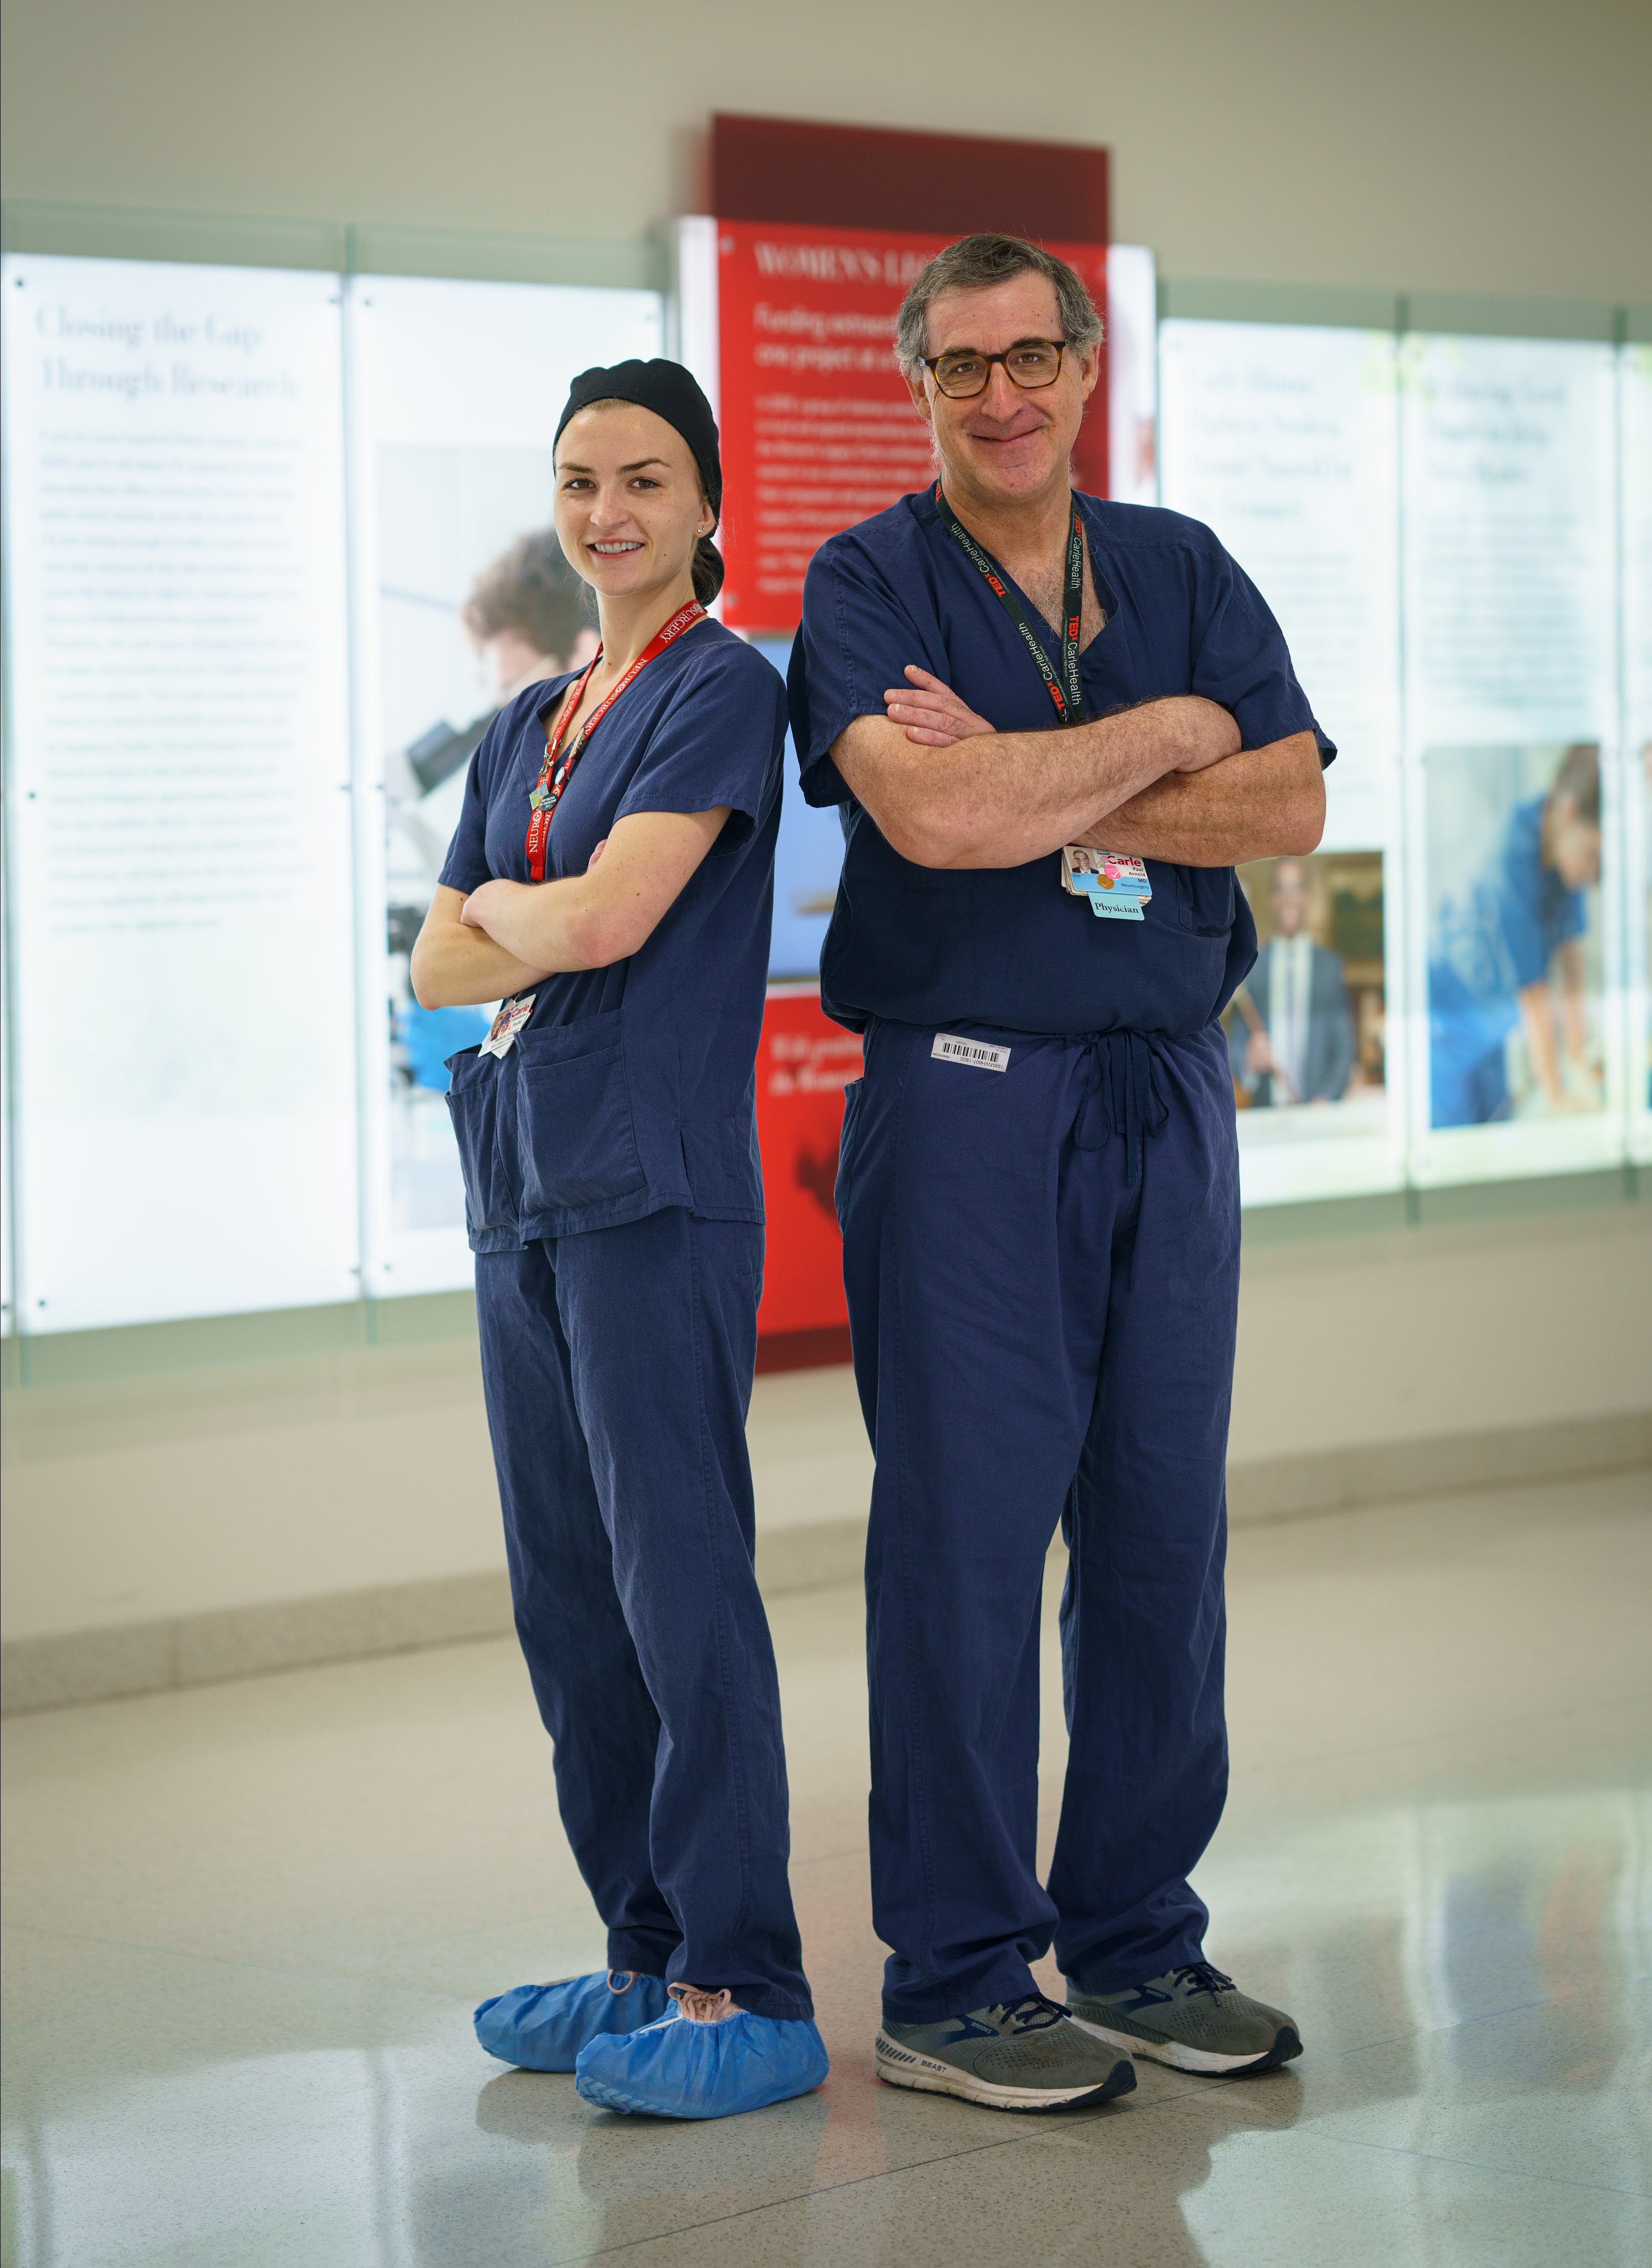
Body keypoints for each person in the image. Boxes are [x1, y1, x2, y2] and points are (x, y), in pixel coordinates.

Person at [790, 233, 1328, 2111]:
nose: (998, 395)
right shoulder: (864, 579)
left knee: (1161, 1529)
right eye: (958, 367)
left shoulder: (1176, 567)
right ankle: (948, 1972)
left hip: (1165, 1094)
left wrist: (1045, 766)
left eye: (1030, 356)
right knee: (958, 1532)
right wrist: (1167, 733)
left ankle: (1130, 1937)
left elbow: (1288, 802)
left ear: (1084, 365)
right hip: (964, 1100)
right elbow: (929, 820)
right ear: (917, 385)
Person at [410, 358, 827, 2121]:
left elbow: (617, 910)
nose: (608, 513)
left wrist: (514, 914)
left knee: (676, 1584)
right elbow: (435, 967)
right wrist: (526, 920)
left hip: (650, 1187)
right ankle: (642, 1948)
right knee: (565, 1597)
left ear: (706, 504)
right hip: (521, 1192)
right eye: (581, 480)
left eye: (645, 479)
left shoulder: (721, 691)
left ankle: (749, 1974)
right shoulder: (529, 721)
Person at [1428, 744, 1602, 1126]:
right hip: (1447, 1023)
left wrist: (1580, 1065)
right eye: (1592, 855)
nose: (1594, 872)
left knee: (1494, 1135)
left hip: (1494, 1025)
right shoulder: (1512, 852)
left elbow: (1572, 974)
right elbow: (1534, 995)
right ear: (1570, 814)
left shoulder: (1563, 861)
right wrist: (1560, 1099)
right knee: (1455, 1150)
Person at [1229, 858, 1355, 1106]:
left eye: (1296, 888)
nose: (1289, 897)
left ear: (1306, 897)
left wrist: (1326, 1097)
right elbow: (1236, 1045)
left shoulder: (1329, 968)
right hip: (1267, 1110)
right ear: (1273, 899)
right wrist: (1248, 1060)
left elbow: (1344, 1047)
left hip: (1317, 1112)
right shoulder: (1252, 965)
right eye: (1281, 889)